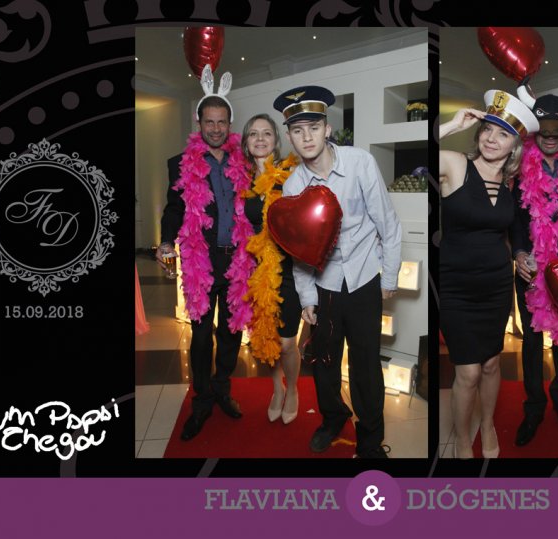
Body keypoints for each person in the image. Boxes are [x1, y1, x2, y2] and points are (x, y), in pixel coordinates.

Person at [276, 85, 402, 458]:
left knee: (366, 365)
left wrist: (389, 276)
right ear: (290, 138)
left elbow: (388, 223)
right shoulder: (293, 185)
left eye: (313, 127)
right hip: (324, 285)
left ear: (327, 129)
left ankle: (371, 439)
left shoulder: (360, 162)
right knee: (324, 363)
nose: (307, 137)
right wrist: (307, 297)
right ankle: (333, 419)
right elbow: (297, 250)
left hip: (364, 280)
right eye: (298, 130)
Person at [439, 90, 539, 459]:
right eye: (487, 130)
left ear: (515, 146)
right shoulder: (455, 165)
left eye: (503, 134)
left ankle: (488, 424)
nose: (491, 138)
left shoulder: (513, 185)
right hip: (456, 287)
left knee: (493, 362)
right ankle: (463, 439)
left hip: (496, 286)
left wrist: (522, 255)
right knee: (467, 372)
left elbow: (514, 232)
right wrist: (452, 125)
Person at [156, 82, 255, 442]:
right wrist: (166, 240)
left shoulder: (246, 162)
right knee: (200, 337)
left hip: (238, 259)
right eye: (209, 121)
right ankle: (201, 400)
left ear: (230, 124)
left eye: (221, 122)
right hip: (201, 259)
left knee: (231, 331)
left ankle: (222, 389)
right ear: (199, 123)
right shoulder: (180, 164)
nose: (215, 128)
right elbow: (174, 208)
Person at [510, 78, 558, 446]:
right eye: (544, 131)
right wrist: (518, 252)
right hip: (530, 265)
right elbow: (513, 217)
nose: (550, 138)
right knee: (531, 340)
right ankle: (533, 408)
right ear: (535, 129)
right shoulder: (518, 163)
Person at [241, 113, 302, 424]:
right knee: (266, 337)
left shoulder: (292, 175)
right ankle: (277, 389)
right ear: (246, 142)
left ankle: (293, 390)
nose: (260, 139)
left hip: (289, 266)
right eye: (254, 134)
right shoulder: (241, 180)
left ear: (277, 140)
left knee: (288, 342)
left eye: (266, 133)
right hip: (254, 269)